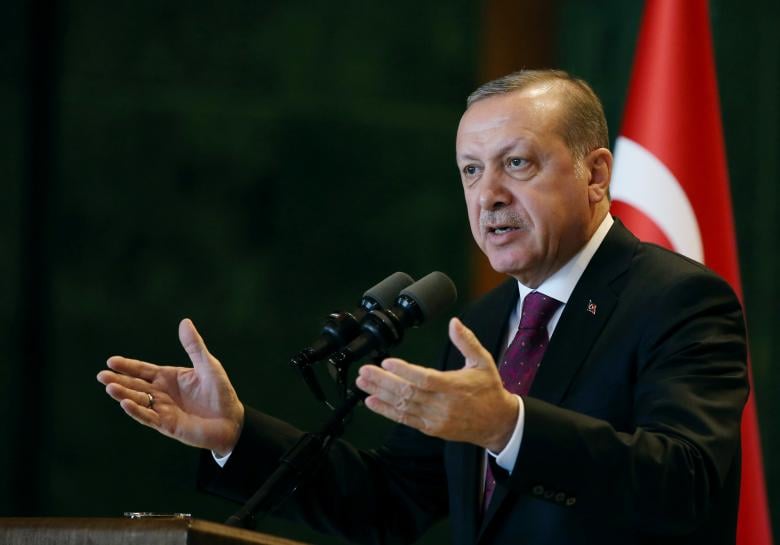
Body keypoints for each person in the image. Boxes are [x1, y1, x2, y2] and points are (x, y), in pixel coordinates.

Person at [97, 69, 748, 545]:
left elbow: (686, 484)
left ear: (596, 175)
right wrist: (237, 435)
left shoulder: (678, 299)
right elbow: (390, 503)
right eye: (470, 171)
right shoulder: (490, 325)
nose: (487, 194)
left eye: (515, 163)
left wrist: (508, 428)